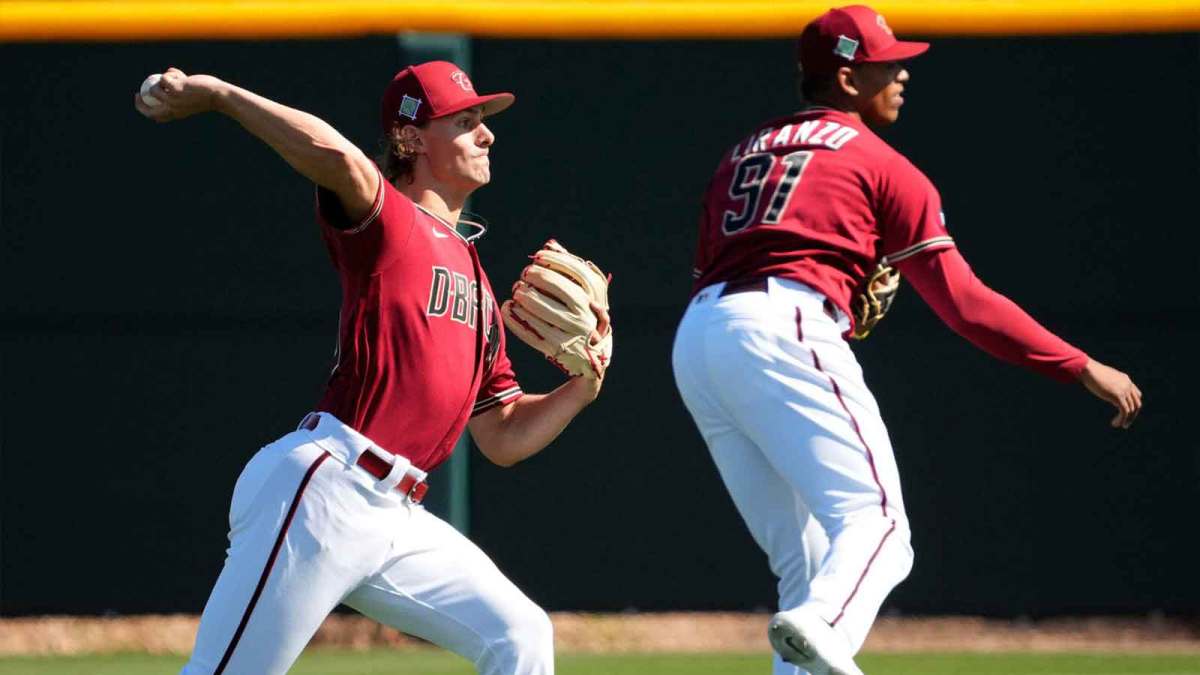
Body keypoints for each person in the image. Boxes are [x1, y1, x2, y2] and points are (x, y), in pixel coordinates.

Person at [670, 6, 1142, 675]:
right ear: (845, 77)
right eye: (887, 63)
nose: (903, 73)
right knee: (881, 528)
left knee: (808, 563)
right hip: (786, 324)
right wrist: (1078, 364)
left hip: (700, 339)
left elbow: (721, 269)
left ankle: (816, 626)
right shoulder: (880, 164)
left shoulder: (742, 152)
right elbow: (965, 304)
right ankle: (821, 624)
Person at [135, 60, 607, 675]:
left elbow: (503, 435)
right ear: (411, 138)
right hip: (324, 488)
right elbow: (340, 160)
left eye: (482, 121)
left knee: (519, 634)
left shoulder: (481, 288)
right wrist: (222, 95)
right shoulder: (389, 224)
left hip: (396, 514)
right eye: (465, 122)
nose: (487, 134)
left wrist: (581, 388)